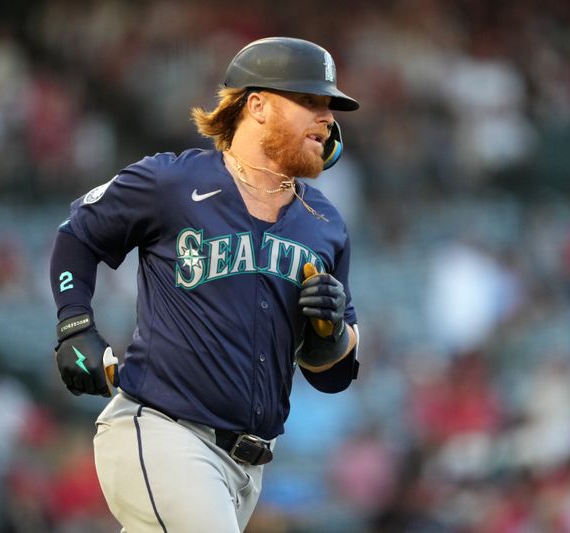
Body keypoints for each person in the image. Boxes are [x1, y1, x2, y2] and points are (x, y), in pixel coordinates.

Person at [49, 36, 361, 532]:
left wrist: (330, 333)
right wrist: (75, 323)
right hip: (162, 433)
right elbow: (78, 235)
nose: (326, 118)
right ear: (257, 105)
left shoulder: (323, 222)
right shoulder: (171, 182)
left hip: (246, 470)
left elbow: (332, 374)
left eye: (328, 106)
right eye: (310, 102)